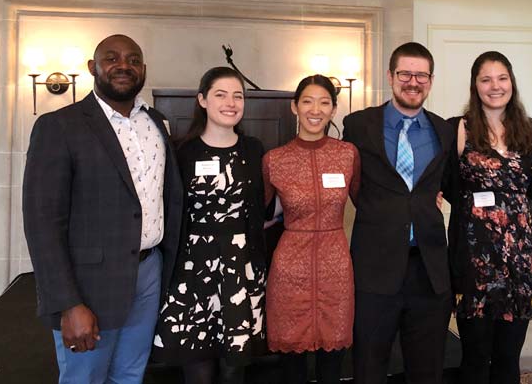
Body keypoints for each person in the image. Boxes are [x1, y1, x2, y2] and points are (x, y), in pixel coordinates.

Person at [22, 34, 183, 384]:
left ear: (143, 70)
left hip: (149, 271)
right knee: (85, 377)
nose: (123, 65)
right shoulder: (60, 126)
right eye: (111, 58)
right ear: (93, 68)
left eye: (133, 59)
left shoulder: (156, 122)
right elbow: (42, 223)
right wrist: (67, 303)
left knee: (129, 375)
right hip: (89, 284)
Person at [343, 41, 455, 384]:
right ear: (391, 77)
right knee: (369, 366)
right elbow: (352, 185)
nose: (413, 81)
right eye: (405, 73)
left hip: (429, 269)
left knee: (427, 369)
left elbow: (448, 185)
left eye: (421, 75)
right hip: (374, 268)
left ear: (431, 81)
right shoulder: (358, 125)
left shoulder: (445, 130)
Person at [153, 66, 266, 384]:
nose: (231, 102)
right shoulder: (181, 151)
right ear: (202, 99)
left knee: (235, 366)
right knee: (197, 364)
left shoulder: (253, 150)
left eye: (238, 96)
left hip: (241, 267)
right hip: (192, 267)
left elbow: (263, 207)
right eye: (220, 94)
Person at [445, 51, 532, 383]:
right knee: (474, 357)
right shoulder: (458, 130)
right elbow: (442, 182)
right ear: (475, 86)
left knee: (508, 358)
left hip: (520, 260)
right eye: (486, 79)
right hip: (476, 261)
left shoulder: (530, 131)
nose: (495, 86)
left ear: (512, 83)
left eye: (502, 78)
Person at [262, 74, 361, 384]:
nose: (315, 109)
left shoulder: (348, 155)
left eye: (324, 102)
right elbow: (258, 217)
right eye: (307, 101)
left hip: (336, 267)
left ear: (333, 109)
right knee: (292, 367)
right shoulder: (275, 160)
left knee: (332, 364)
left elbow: (371, 204)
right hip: (290, 269)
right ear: (294, 107)